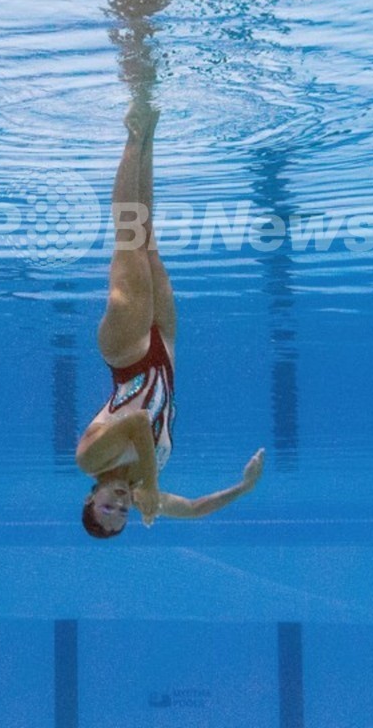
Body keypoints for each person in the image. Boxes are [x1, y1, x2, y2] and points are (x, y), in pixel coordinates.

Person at [76, 100, 265, 537]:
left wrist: (152, 485)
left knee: (129, 237)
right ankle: (150, 129)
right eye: (121, 516)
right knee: (149, 238)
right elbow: (196, 508)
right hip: (164, 349)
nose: (120, 507)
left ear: (91, 497)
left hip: (127, 353)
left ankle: (133, 132)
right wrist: (244, 487)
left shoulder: (90, 460)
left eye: (107, 509)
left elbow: (139, 423)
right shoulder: (145, 488)